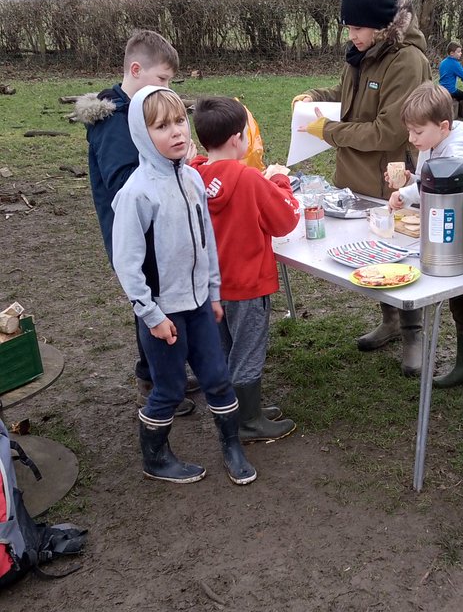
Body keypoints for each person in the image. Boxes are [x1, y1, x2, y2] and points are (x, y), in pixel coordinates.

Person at [111, 86, 257, 486]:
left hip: (199, 305)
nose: (176, 131)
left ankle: (232, 446)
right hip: (164, 313)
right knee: (171, 388)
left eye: (179, 121)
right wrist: (151, 314)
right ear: (142, 134)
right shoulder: (137, 194)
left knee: (218, 377)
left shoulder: (192, 178)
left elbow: (206, 241)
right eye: (161, 126)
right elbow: (126, 263)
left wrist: (213, 293)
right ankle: (155, 457)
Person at [293, 0, 432, 376]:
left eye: (358, 27)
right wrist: (315, 98)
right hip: (355, 178)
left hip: (391, 181)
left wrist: (329, 132)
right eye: (349, 27)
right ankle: (390, 321)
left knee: (399, 255)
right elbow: (347, 97)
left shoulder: (407, 61)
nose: (352, 35)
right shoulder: (360, 52)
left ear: (381, 25)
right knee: (372, 253)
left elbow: (389, 130)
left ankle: (413, 333)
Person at [73, 29, 194, 416]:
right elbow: (124, 182)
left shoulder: (136, 112)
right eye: (162, 79)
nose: (166, 89)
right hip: (135, 233)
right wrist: (178, 163)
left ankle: (163, 371)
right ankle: (155, 383)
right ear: (136, 70)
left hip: (153, 227)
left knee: (160, 295)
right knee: (151, 299)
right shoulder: (115, 123)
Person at [388, 82, 463, 396]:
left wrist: (409, 192)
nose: (411, 138)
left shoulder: (460, 151)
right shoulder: (433, 141)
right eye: (410, 131)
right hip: (451, 241)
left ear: (443, 126)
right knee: (459, 306)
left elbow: (445, 184)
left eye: (417, 132)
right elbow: (429, 180)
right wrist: (410, 183)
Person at [189, 96, 300, 443]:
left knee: (226, 349)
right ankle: (249, 423)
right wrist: (280, 181)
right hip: (249, 285)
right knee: (248, 352)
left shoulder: (193, 174)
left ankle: (237, 410)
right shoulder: (249, 179)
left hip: (211, 287)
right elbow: (285, 219)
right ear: (238, 138)